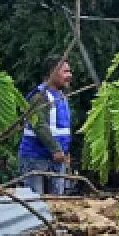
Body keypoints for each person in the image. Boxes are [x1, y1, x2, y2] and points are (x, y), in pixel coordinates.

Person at [19, 56, 73, 196]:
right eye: (65, 72)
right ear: (52, 73)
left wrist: (65, 152)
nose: (69, 75)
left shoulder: (61, 97)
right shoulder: (39, 96)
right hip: (35, 158)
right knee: (35, 202)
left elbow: (62, 130)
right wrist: (56, 149)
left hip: (56, 159)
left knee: (56, 203)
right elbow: (39, 125)